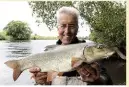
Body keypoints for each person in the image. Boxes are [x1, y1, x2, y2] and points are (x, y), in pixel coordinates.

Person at [29, 6, 113, 85]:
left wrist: (96, 80)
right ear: (58, 28)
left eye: (72, 26)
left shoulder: (91, 52)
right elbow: (45, 81)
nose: (67, 31)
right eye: (63, 26)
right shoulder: (48, 53)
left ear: (77, 28)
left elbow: (107, 81)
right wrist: (41, 81)